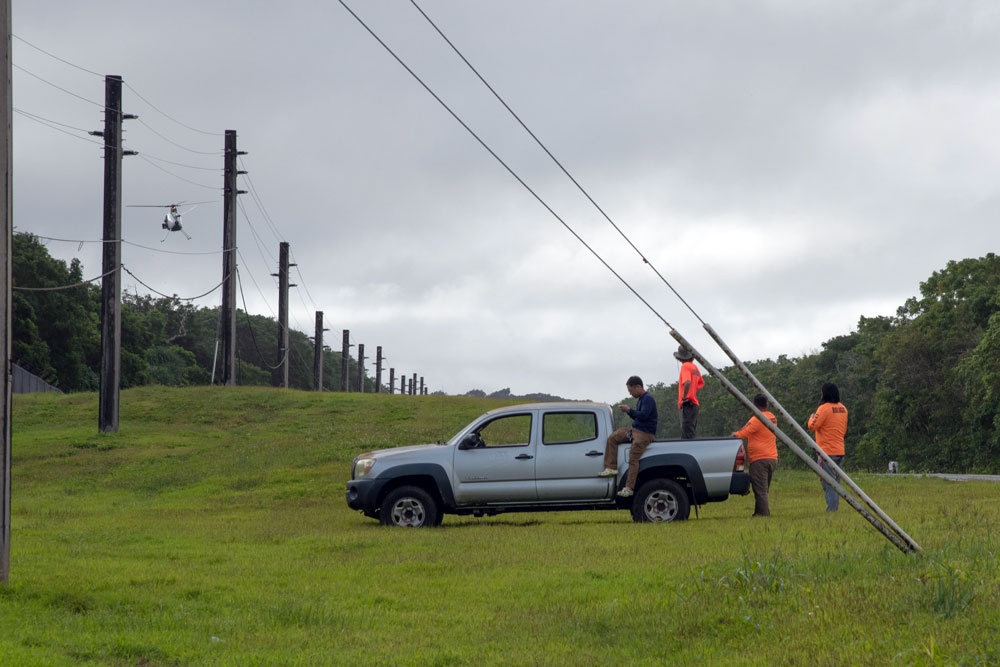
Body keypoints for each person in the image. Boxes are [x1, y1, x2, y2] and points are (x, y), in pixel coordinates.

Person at [598, 376, 658, 498]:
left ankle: (629, 488)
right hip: (635, 430)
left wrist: (629, 410)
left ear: (638, 387)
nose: (630, 394)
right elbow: (638, 417)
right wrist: (629, 412)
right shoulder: (641, 399)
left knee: (633, 458)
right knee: (613, 437)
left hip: (645, 433)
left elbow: (643, 416)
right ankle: (611, 467)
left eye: (631, 391)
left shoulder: (648, 399)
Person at [732, 394, 778, 517]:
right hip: (772, 457)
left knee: (760, 489)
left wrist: (734, 434)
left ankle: (763, 513)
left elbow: (743, 433)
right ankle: (758, 512)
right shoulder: (772, 417)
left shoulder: (757, 419)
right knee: (763, 488)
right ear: (766, 404)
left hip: (759, 459)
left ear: (755, 405)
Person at [807, 382, 849, 512]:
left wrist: (811, 418)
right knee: (836, 481)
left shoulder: (823, 408)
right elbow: (844, 429)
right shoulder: (843, 408)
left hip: (826, 452)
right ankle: (834, 507)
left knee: (828, 482)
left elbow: (813, 426)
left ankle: (832, 509)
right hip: (840, 449)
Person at [674, 345, 705, 438]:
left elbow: (687, 382)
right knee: (691, 431)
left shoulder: (685, 366)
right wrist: (692, 390)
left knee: (687, 434)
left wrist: (684, 397)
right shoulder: (694, 367)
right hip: (694, 404)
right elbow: (700, 383)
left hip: (688, 403)